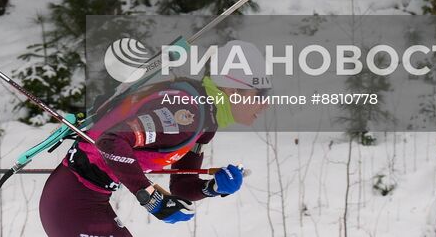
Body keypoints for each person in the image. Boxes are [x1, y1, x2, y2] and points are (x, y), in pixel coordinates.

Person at [38, 40, 271, 236]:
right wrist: (151, 198)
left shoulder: (205, 120)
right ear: (232, 90)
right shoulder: (185, 115)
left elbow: (182, 187)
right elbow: (111, 141)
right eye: (261, 93)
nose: (266, 103)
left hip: (82, 200)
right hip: (72, 202)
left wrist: (213, 187)